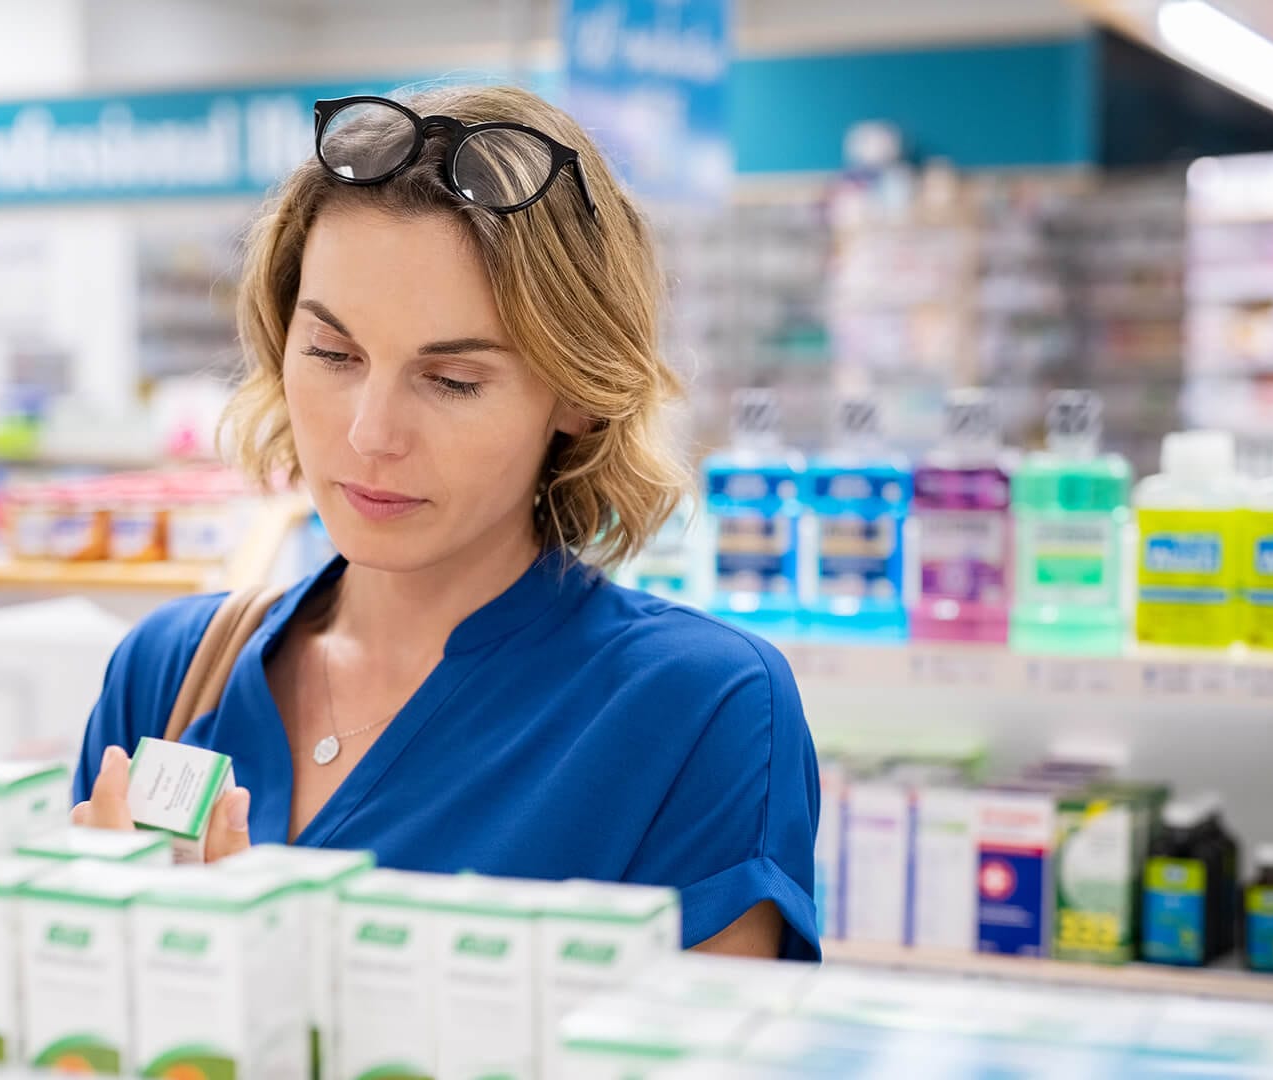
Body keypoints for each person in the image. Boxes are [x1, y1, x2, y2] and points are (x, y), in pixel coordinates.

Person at [71, 85, 821, 959]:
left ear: (578, 390)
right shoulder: (171, 674)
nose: (370, 434)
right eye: (332, 355)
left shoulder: (695, 710)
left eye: (453, 379)